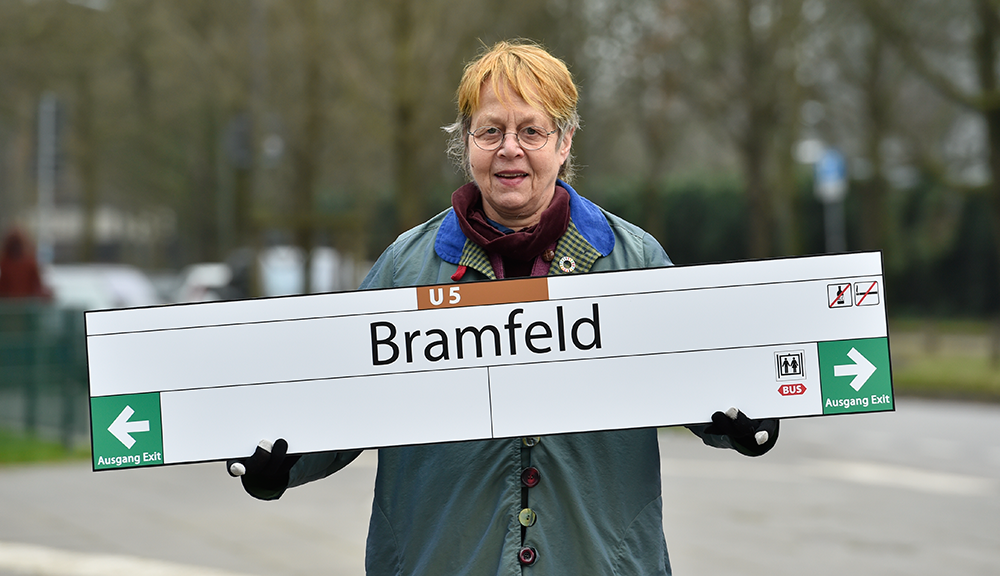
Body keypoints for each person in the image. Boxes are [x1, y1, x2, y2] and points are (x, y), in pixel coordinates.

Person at [229, 40, 778, 575]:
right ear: (466, 144)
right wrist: (281, 461)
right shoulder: (404, 269)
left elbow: (692, 379)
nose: (508, 148)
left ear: (564, 143)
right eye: (490, 130)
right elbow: (341, 398)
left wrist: (742, 414)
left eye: (531, 130)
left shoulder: (632, 261)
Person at [0, 227, 50, 299]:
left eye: (17, 244)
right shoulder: (5, 263)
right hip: (10, 302)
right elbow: (3, 286)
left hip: (27, 302)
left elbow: (37, 285)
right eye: (13, 244)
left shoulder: (30, 263)